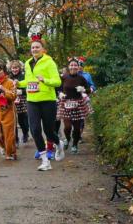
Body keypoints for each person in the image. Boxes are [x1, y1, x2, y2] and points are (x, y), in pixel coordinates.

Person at [17, 34, 62, 172]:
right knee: (35, 130)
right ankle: (45, 160)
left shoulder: (49, 62)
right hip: (32, 101)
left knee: (49, 130)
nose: (35, 49)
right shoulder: (27, 63)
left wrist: (45, 80)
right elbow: (29, 81)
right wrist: (18, 83)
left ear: (43, 49)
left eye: (37, 47)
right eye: (33, 47)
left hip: (48, 100)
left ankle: (59, 143)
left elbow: (57, 81)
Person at [57, 58, 93, 154]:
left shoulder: (81, 78)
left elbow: (89, 89)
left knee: (77, 128)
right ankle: (68, 139)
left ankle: (75, 145)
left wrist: (83, 90)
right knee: (67, 127)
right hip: (66, 104)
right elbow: (58, 88)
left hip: (78, 104)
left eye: (75, 65)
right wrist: (60, 93)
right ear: (68, 67)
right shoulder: (64, 77)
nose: (73, 67)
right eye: (71, 65)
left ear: (78, 67)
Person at [8, 60, 30, 146]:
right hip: (12, 99)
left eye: (16, 68)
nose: (15, 70)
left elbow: (28, 87)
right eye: (13, 68)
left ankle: (25, 133)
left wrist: (21, 91)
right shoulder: (9, 77)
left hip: (22, 99)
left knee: (22, 119)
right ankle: (15, 139)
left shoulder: (23, 76)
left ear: (19, 68)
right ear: (11, 69)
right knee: (13, 120)